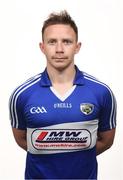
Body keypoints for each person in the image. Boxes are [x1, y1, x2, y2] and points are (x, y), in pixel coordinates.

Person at [9, 10, 117, 179]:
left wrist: (76, 155)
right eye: (52, 42)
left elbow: (106, 141)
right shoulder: (22, 94)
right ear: (42, 47)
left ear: (77, 47)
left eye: (66, 42)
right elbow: (23, 140)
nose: (59, 49)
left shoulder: (101, 92)